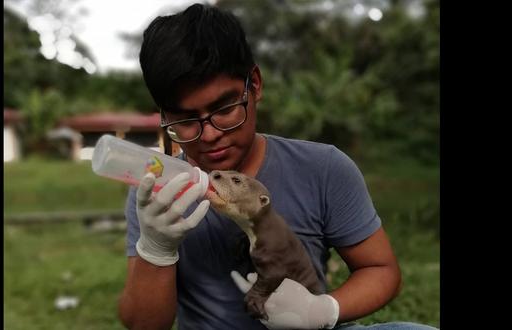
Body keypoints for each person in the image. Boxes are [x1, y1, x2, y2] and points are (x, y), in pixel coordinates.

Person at [118, 4, 437, 330]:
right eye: (185, 120)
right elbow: (144, 325)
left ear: (254, 85)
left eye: (225, 108)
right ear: (165, 116)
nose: (211, 135)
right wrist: (155, 249)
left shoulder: (323, 168)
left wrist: (322, 311)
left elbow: (381, 270)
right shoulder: (156, 192)